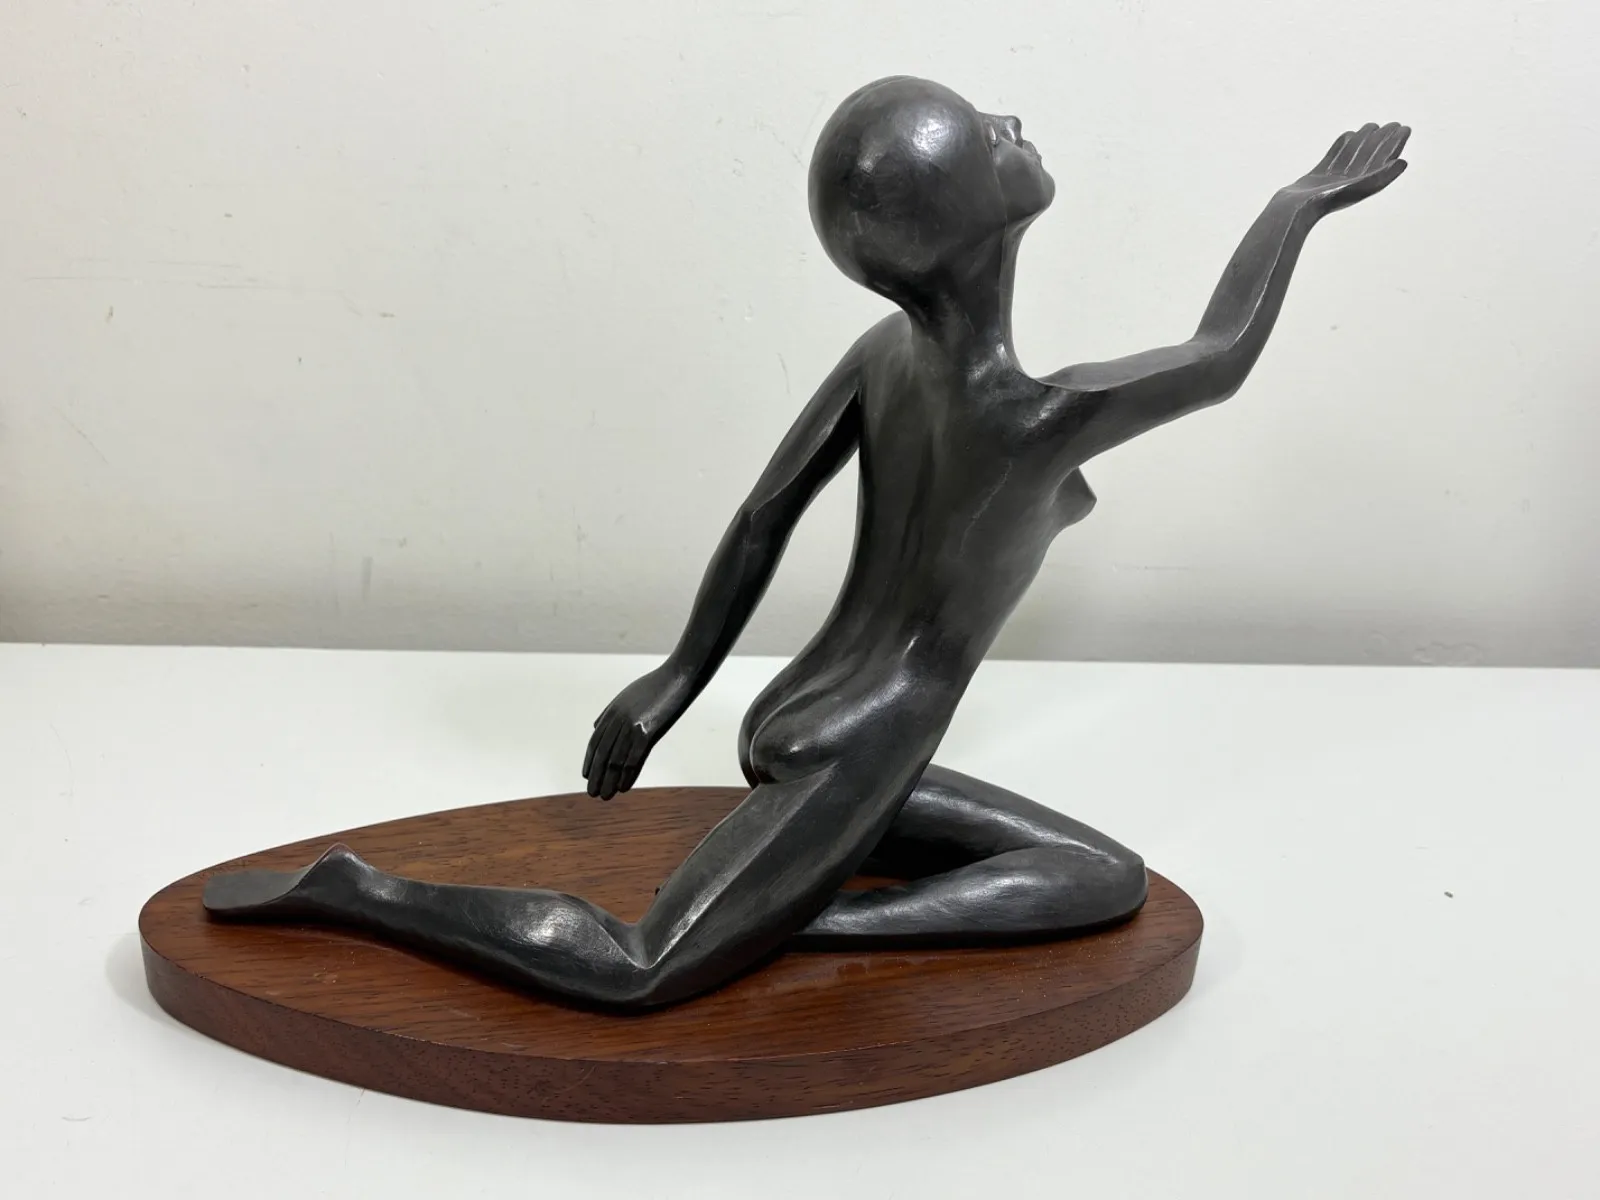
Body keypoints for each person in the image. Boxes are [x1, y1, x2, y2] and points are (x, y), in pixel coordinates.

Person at [205, 77, 1409, 1009]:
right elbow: (1220, 354)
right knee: (638, 967)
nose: (1010, 121)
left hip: (817, 714)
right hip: (861, 741)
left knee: (1101, 879)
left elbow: (761, 516)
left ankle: (805, 916)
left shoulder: (887, 357)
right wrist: (1294, 207)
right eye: (985, 135)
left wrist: (676, 679)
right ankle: (364, 892)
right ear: (969, 220)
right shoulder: (1034, 419)